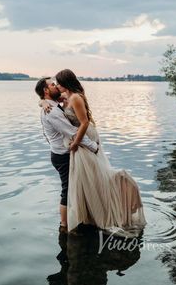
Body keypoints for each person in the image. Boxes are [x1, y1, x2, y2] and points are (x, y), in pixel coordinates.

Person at [42, 69, 147, 236]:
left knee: (96, 176)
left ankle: (119, 195)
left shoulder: (75, 97)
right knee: (87, 179)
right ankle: (90, 214)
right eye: (54, 84)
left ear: (66, 83)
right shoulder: (65, 97)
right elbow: (51, 104)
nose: (57, 85)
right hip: (79, 140)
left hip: (84, 137)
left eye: (58, 83)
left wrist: (76, 143)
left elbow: (84, 122)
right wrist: (42, 102)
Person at [35, 77, 98, 231]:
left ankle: (81, 218)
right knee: (67, 189)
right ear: (46, 90)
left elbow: (68, 97)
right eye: (52, 85)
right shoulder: (52, 112)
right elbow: (71, 133)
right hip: (62, 156)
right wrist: (93, 147)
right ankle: (64, 225)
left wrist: (41, 101)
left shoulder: (53, 105)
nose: (56, 86)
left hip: (64, 153)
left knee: (74, 188)